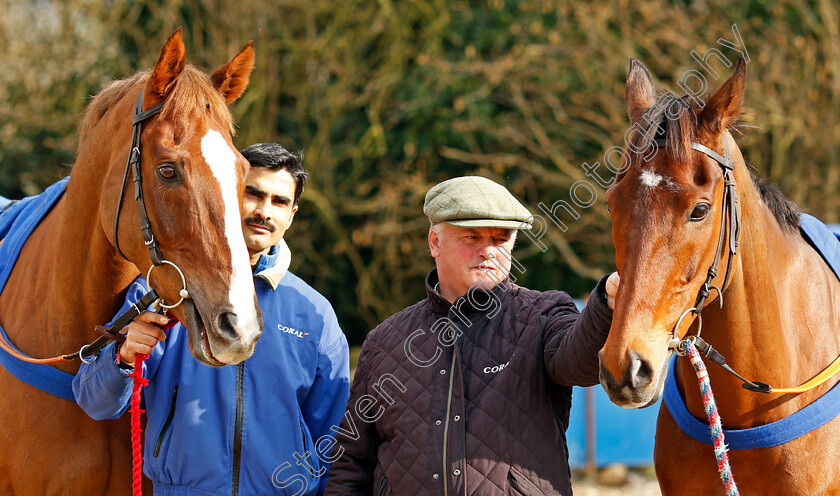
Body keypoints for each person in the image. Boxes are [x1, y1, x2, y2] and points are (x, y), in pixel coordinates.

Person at [73, 143, 350, 496]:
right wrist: (124, 357)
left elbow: (333, 439)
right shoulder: (165, 289)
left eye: (279, 201)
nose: (264, 211)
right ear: (227, 192)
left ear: (292, 214)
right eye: (253, 193)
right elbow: (95, 403)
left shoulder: (314, 313)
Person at [325, 176, 619, 496]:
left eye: (501, 238)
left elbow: (582, 365)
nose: (489, 250)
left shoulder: (545, 313)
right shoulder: (384, 341)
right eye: (472, 236)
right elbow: (350, 461)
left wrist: (605, 302)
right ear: (434, 242)